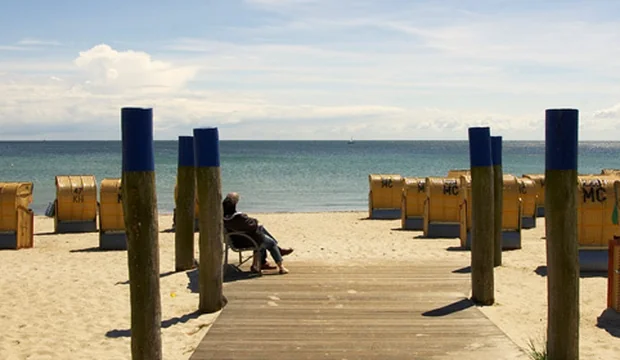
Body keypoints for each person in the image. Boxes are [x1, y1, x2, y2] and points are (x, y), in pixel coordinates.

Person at [222, 192, 293, 274]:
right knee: (271, 243)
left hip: (237, 240)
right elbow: (253, 225)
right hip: (246, 241)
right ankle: (281, 267)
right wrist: (254, 220)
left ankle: (262, 262)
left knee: (261, 229)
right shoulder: (238, 218)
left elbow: (248, 225)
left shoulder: (224, 217)